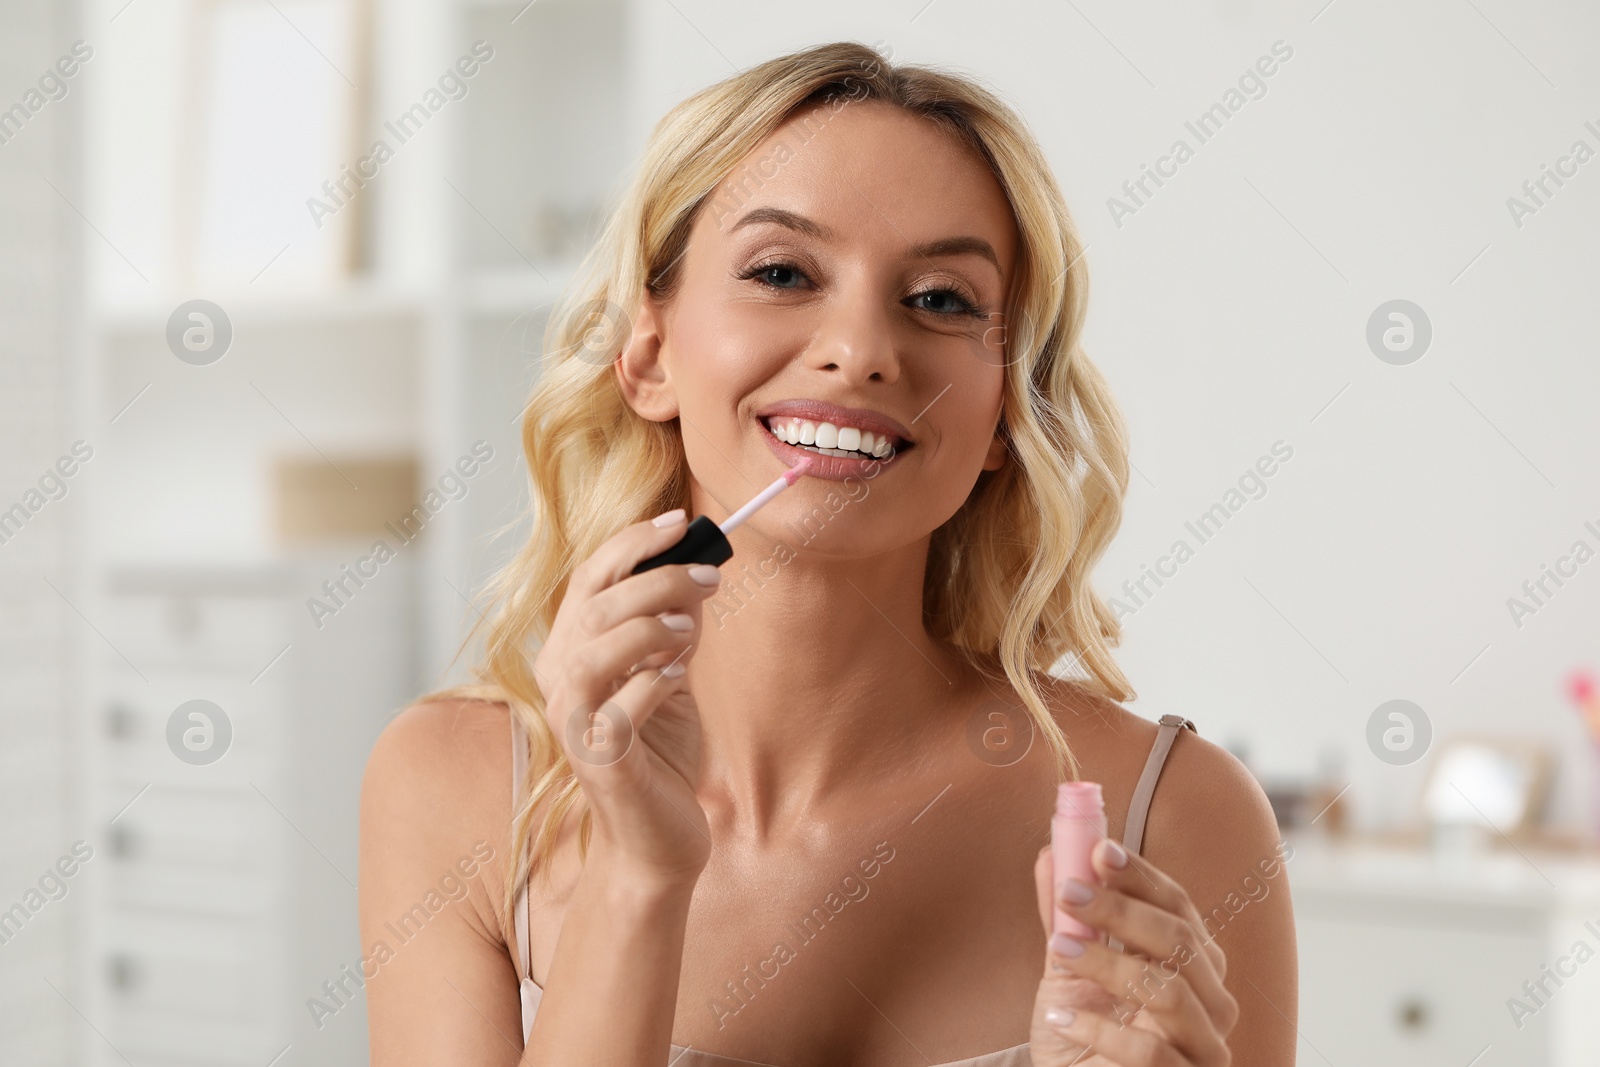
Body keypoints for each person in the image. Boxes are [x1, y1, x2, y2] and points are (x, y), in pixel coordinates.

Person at [360, 40, 1296, 1066]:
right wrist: (640, 872)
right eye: (781, 272)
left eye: (940, 298)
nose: (860, 348)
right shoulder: (450, 788)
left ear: (1000, 421)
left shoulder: (1173, 816)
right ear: (649, 355)